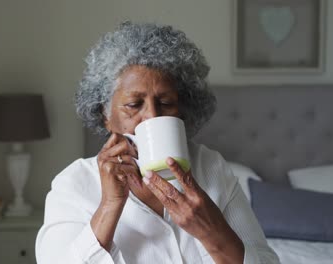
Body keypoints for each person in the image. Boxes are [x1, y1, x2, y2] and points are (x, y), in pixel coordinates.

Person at [36, 22, 279, 264]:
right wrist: (110, 205)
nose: (153, 116)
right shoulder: (75, 184)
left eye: (165, 102)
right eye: (134, 105)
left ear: (182, 112)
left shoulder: (211, 168)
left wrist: (211, 231)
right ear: (106, 116)